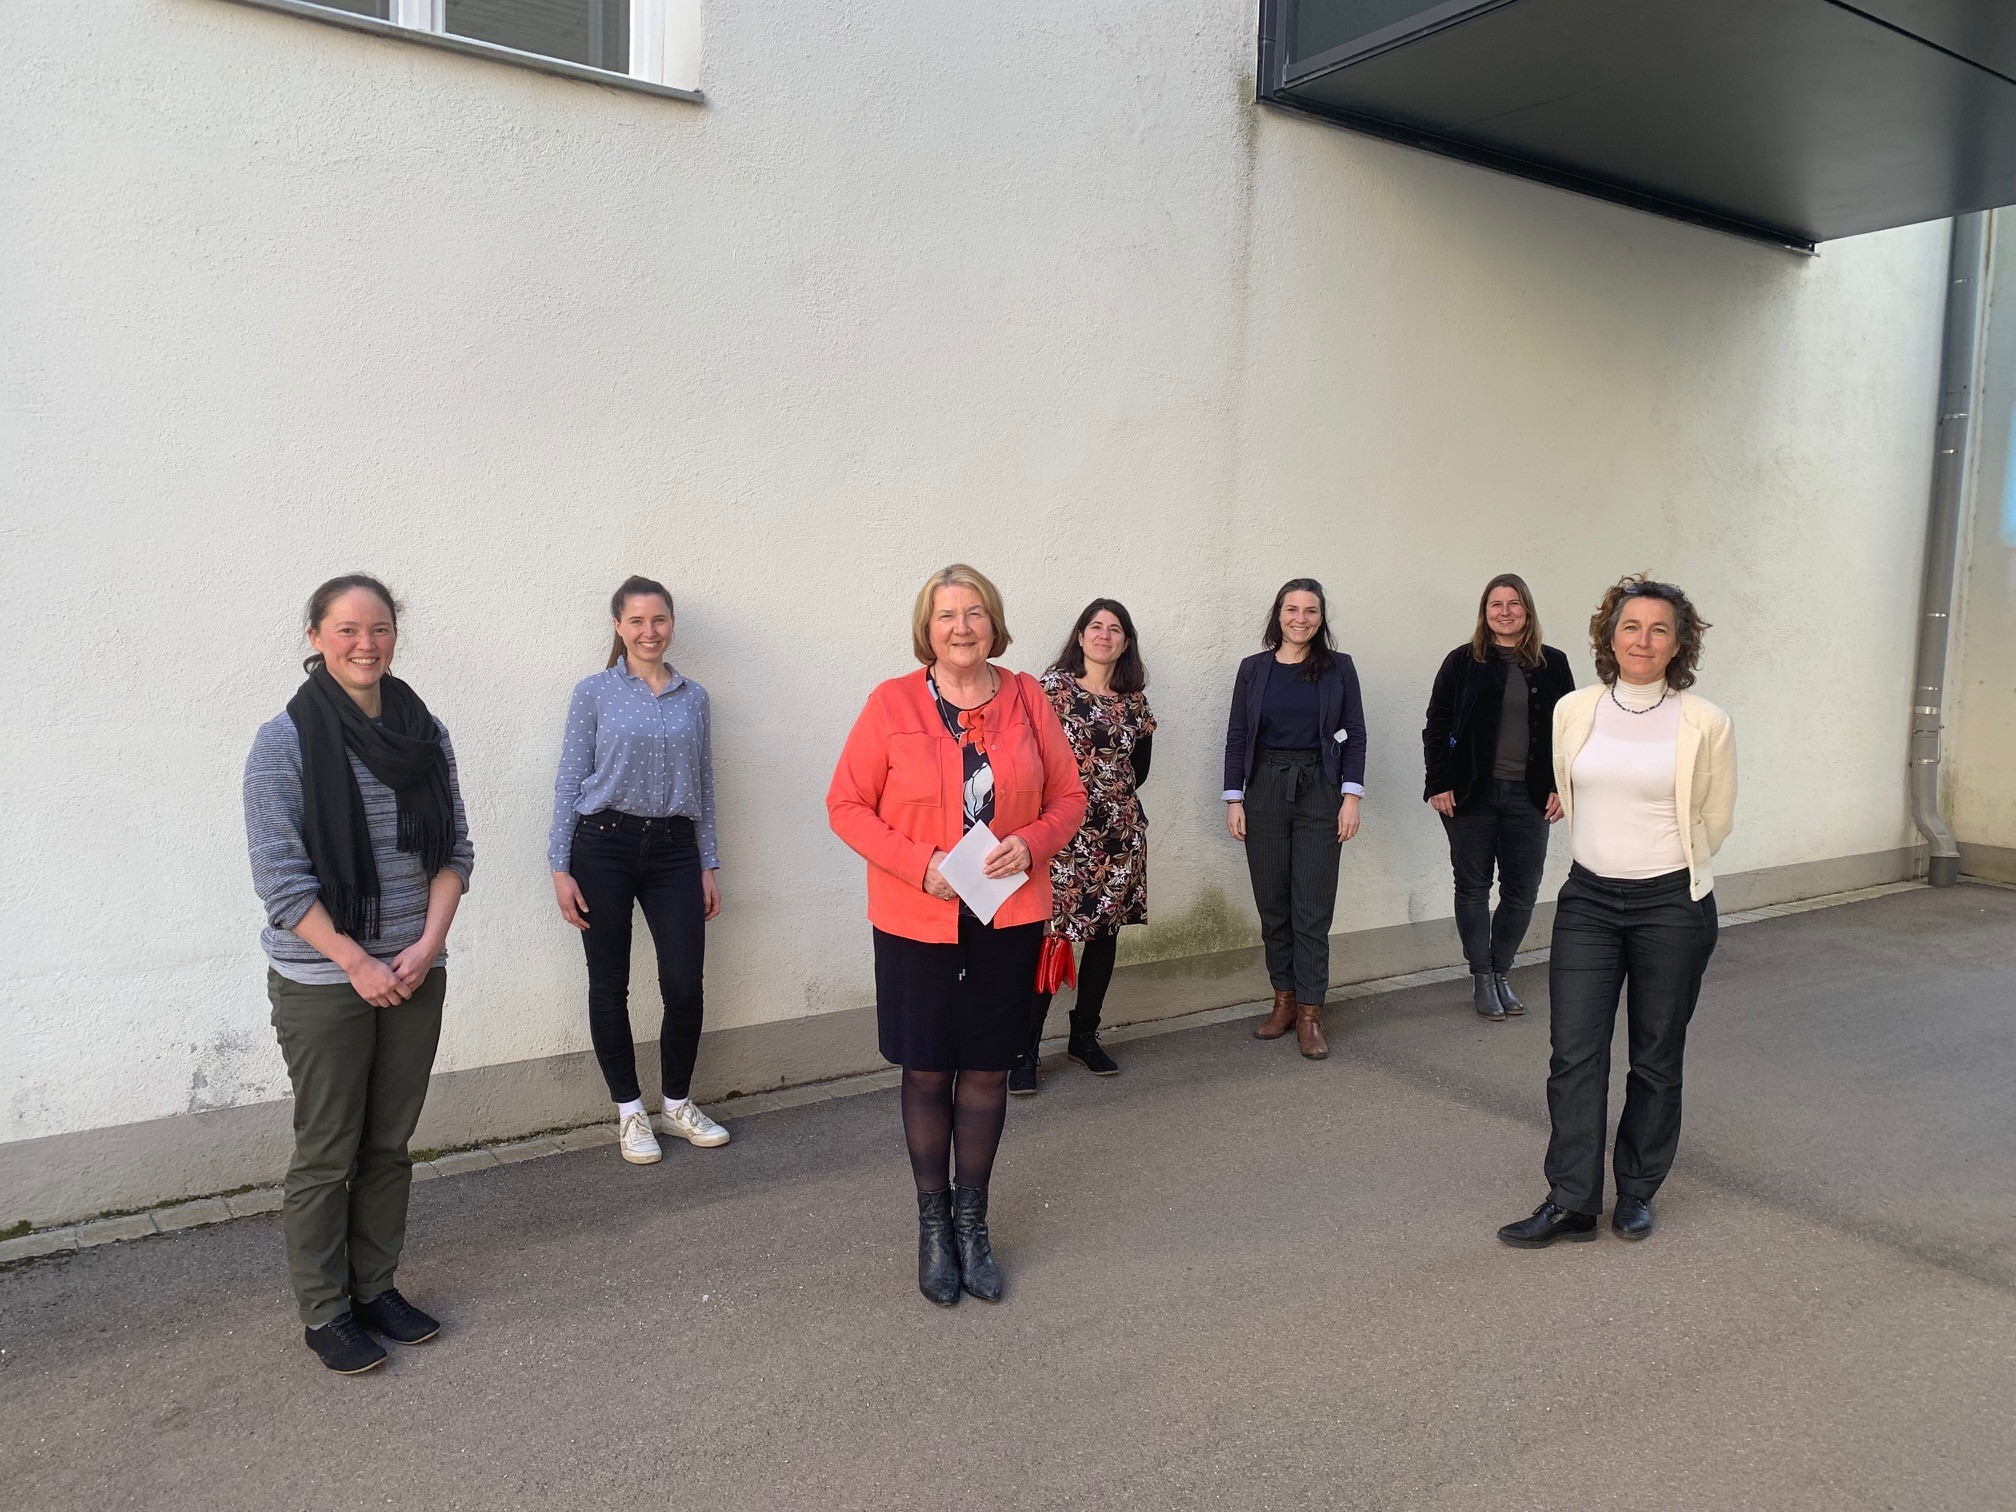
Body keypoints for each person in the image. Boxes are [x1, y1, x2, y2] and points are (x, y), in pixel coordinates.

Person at [827, 565, 1087, 1305]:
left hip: (1009, 914)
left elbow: (1069, 796)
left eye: (974, 613)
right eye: (946, 615)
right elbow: (845, 805)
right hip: (918, 917)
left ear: (993, 623)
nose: (962, 627)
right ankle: (933, 1227)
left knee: (985, 1069)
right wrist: (921, 864)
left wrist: (1033, 843)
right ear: (927, 629)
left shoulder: (1029, 698)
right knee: (928, 1070)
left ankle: (973, 1226)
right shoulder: (891, 703)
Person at [243, 575, 474, 1375]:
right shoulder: (284, 743)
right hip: (322, 981)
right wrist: (357, 961)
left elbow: (455, 854)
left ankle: (376, 1287)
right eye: (346, 630)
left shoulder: (424, 731)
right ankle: (326, 1311)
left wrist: (425, 947)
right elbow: (281, 881)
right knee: (327, 1149)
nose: (365, 644)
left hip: (414, 971)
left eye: (378, 629)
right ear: (315, 637)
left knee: (389, 1143)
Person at [1498, 575, 1735, 1248]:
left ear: (1679, 643)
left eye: (1660, 629)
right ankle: (1572, 1200)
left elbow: (1713, 819)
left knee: (1656, 1058)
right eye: (1631, 626)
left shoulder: (1706, 723)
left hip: (1672, 905)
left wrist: (1656, 866)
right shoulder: (1574, 710)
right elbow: (1571, 793)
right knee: (1573, 1054)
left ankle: (1636, 1191)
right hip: (1589, 901)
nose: (1644, 639)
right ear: (1610, 634)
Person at [549, 576, 726, 1166]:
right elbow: (570, 779)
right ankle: (629, 1112)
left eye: (659, 621)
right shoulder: (593, 693)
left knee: (683, 983)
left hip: (675, 849)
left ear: (671, 625)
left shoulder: (694, 698)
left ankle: (676, 1103)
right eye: (636, 622)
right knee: (610, 982)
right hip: (602, 846)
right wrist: (559, 866)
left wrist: (707, 861)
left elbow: (703, 784)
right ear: (619, 627)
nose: (649, 632)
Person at [1014, 599, 1157, 1094]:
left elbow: (1140, 767)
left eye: (1115, 629)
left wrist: (1108, 797)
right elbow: (1027, 759)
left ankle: (1084, 1035)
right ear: (1080, 636)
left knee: (1104, 937)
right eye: (1095, 626)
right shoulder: (1049, 690)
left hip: (1117, 835)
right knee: (1050, 936)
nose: (1104, 635)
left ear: (1125, 641)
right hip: (1061, 832)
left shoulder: (1133, 698)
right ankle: (1024, 1049)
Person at [1223, 578, 1367, 1060]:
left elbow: (1357, 734)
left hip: (1320, 791)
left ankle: (1310, 1012)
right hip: (1264, 788)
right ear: (1278, 615)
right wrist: (1234, 798)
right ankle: (1282, 999)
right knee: (1273, 901)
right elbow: (1238, 735)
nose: (1300, 618)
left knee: (1312, 904)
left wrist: (1351, 797)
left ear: (1321, 617)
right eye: (1291, 609)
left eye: (1310, 610)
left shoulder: (1339, 669)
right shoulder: (1253, 669)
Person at [1422, 574, 1577, 1021]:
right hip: (1471, 796)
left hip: (1530, 798)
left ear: (1527, 610)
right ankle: (1482, 977)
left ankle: (1501, 969)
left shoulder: (1554, 663)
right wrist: (1439, 782)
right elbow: (1437, 724)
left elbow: (1569, 732)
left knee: (1522, 891)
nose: (1504, 611)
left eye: (1513, 603)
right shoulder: (1462, 661)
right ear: (1484, 612)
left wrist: (1562, 787)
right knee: (1472, 887)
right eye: (1495, 604)